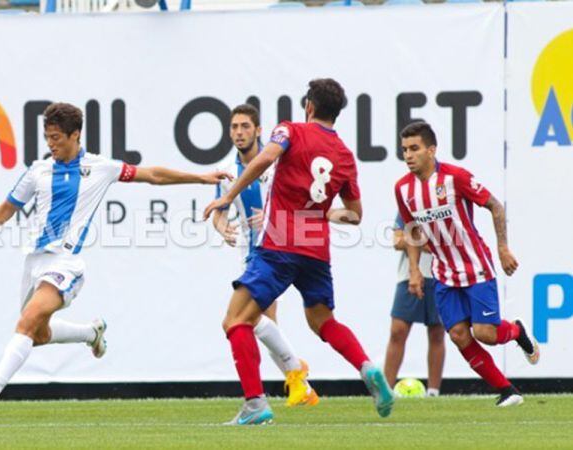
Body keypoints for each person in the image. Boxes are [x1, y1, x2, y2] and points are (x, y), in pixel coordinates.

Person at [0, 102, 231, 413]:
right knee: (37, 333)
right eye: (47, 137)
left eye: (57, 137)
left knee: (28, 320)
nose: (51, 144)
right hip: (34, 263)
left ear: (76, 135)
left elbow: (152, 175)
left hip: (66, 264)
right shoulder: (38, 171)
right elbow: (7, 209)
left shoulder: (101, 167)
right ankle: (91, 332)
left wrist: (201, 177)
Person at [204, 78, 395, 425]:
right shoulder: (344, 156)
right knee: (323, 321)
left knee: (235, 321)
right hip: (316, 248)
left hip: (278, 242)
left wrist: (228, 195)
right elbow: (354, 215)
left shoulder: (290, 130)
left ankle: (255, 403)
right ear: (336, 113)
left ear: (309, 106)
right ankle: (366, 366)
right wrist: (322, 213)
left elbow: (265, 159)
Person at [393, 121, 540, 407]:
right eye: (404, 150)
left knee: (485, 333)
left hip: (476, 267)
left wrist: (502, 248)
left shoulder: (455, 178)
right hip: (444, 274)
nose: (408, 155)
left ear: (431, 150)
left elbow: (494, 205)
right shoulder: (403, 189)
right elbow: (411, 229)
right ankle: (507, 390)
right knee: (460, 335)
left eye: (414, 148)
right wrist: (413, 271)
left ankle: (517, 331)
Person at [212, 104, 318, 408]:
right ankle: (299, 383)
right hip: (252, 253)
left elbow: (302, 201)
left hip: (280, 249)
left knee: (250, 320)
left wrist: (275, 219)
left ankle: (294, 375)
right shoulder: (228, 171)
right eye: (234, 127)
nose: (239, 132)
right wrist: (222, 228)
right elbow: (220, 211)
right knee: (261, 321)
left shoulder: (275, 163)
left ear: (259, 131)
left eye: (245, 126)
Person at [383, 213, 445, 397]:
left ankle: (433, 392)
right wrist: (426, 243)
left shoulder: (445, 204)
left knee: (437, 332)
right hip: (409, 275)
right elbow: (398, 241)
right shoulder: (408, 200)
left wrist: (417, 240)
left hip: (441, 276)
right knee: (398, 331)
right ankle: (385, 390)